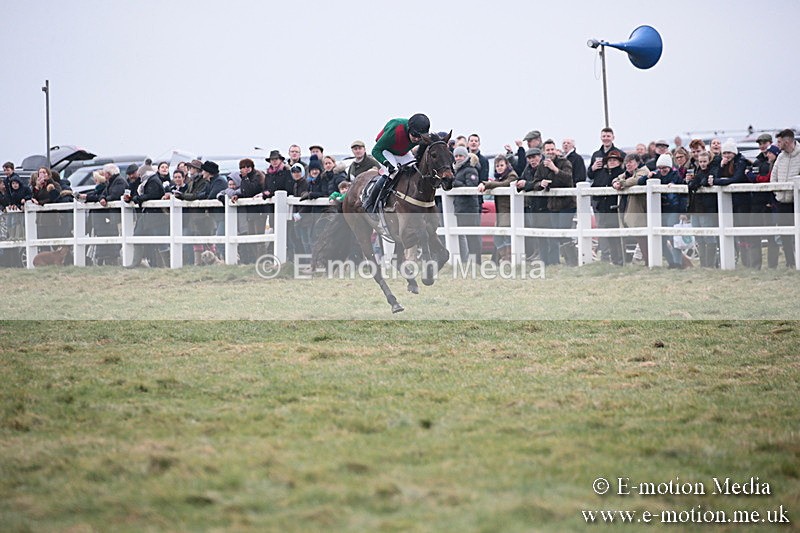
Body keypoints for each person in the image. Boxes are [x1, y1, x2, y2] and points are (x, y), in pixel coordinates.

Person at [364, 113, 430, 213]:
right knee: (393, 172)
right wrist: (386, 163)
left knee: (415, 169)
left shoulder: (423, 137)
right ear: (409, 129)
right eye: (414, 135)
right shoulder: (396, 129)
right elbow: (375, 151)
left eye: (419, 137)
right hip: (385, 150)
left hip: (402, 151)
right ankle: (370, 203)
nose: (416, 139)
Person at [531, 139, 575, 266]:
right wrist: (541, 184)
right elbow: (535, 182)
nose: (550, 152)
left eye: (552, 149)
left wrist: (555, 169)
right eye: (548, 150)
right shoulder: (541, 166)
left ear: (555, 150)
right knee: (556, 234)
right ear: (543, 152)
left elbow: (568, 178)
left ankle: (572, 260)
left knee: (563, 231)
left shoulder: (565, 162)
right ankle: (567, 260)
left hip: (567, 204)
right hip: (552, 205)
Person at [712, 140, 753, 267]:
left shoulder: (741, 162)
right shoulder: (725, 163)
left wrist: (717, 181)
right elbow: (716, 176)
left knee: (744, 231)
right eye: (724, 153)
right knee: (734, 231)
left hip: (743, 201)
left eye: (729, 153)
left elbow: (736, 178)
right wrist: (721, 167)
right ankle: (739, 259)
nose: (727, 155)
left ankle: (748, 261)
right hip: (731, 202)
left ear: (734, 153)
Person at [478, 154, 518, 263]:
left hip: (508, 210)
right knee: (498, 237)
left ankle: (509, 259)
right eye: (497, 166)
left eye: (501, 165)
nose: (499, 168)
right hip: (501, 212)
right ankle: (505, 258)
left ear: (507, 165)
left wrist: (486, 184)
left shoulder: (512, 176)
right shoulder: (499, 177)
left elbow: (504, 184)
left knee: (506, 236)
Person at [613, 153, 651, 264]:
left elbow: (636, 180)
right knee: (640, 235)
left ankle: (649, 261)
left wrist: (621, 183)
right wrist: (615, 183)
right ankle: (647, 261)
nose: (628, 165)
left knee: (644, 236)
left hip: (643, 208)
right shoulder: (627, 174)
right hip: (632, 208)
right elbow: (616, 179)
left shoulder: (644, 171)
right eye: (626, 162)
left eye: (631, 162)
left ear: (638, 162)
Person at [591, 149, 625, 266]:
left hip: (616, 207)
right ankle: (614, 259)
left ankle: (620, 259)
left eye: (614, 160)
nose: (612, 162)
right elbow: (595, 186)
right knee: (609, 234)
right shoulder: (602, 173)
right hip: (603, 207)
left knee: (618, 234)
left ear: (619, 162)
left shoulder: (621, 174)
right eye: (610, 160)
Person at [770, 129, 799, 268]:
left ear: (787, 142)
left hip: (797, 203)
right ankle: (790, 262)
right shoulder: (780, 157)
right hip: (782, 203)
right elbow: (773, 177)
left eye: (779, 141)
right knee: (785, 235)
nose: (777, 144)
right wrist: (778, 193)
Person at [654, 153, 687, 268]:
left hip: (674, 209)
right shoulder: (656, 175)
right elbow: (641, 181)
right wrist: (647, 176)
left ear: (669, 167)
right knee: (661, 238)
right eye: (660, 168)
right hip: (661, 210)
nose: (662, 170)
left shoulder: (676, 176)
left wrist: (683, 212)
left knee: (674, 237)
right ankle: (671, 262)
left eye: (664, 168)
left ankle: (677, 262)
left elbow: (683, 196)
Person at [687, 151, 720, 267]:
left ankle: (710, 264)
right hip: (696, 206)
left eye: (705, 161)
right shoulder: (698, 171)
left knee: (708, 235)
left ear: (709, 161)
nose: (702, 164)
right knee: (698, 236)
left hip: (706, 208)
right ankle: (703, 263)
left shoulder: (712, 171)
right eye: (700, 162)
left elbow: (703, 182)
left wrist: (697, 182)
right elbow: (694, 184)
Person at [452, 146, 481, 264]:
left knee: (472, 236)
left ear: (465, 156)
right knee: (462, 235)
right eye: (456, 156)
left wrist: (455, 183)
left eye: (460, 156)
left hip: (469, 208)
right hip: (460, 207)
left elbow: (471, 187)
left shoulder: (471, 170)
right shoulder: (456, 170)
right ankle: (466, 260)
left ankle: (476, 261)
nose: (458, 158)